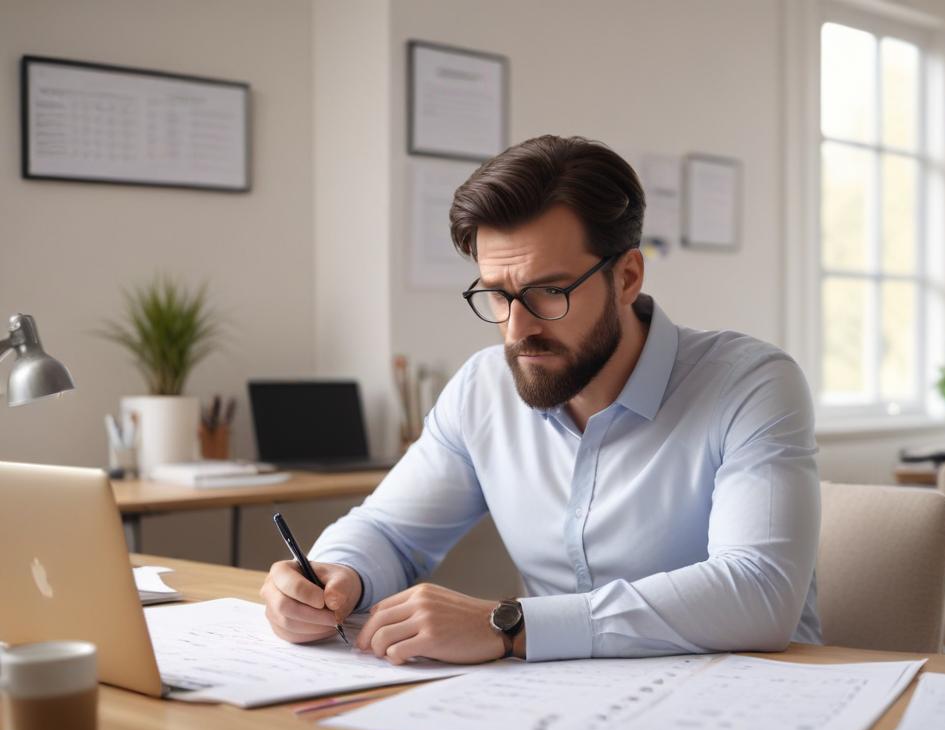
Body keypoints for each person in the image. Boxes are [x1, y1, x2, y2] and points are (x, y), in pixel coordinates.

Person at [260, 135, 821, 664]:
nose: (516, 328)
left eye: (547, 292)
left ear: (627, 278)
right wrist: (336, 575)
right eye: (496, 295)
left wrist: (509, 626)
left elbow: (759, 590)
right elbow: (390, 531)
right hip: (555, 705)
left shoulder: (752, 384)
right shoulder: (483, 390)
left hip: (746, 707)